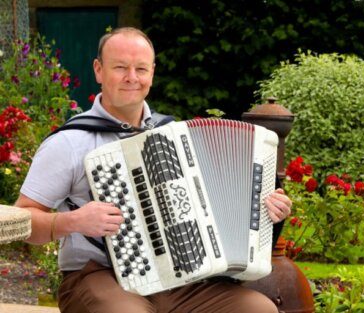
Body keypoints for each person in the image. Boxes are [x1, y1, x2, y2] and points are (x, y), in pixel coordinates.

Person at [15, 27, 292, 313]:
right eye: (120, 67)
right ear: (98, 70)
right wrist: (73, 221)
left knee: (259, 309)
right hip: (97, 277)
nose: (131, 77)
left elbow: (218, 207)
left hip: (180, 280)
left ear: (152, 73)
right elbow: (21, 221)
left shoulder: (174, 135)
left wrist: (265, 210)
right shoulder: (69, 143)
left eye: (141, 69)